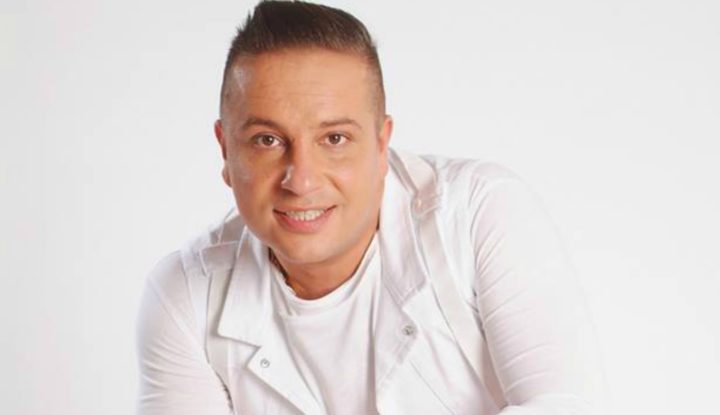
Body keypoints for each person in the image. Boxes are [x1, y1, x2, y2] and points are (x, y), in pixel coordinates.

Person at [136, 1, 609, 414]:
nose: (301, 180)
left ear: (382, 145)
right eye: (267, 140)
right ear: (225, 150)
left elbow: (567, 406)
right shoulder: (186, 296)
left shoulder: (479, 212)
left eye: (334, 139)